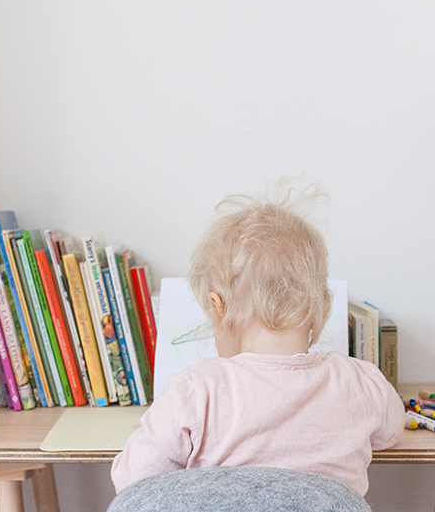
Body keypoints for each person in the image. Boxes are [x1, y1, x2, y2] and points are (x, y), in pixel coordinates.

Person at [110, 187, 405, 497]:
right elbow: (391, 432)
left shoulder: (195, 392)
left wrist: (151, 434)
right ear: (322, 303)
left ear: (217, 306)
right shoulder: (361, 383)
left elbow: (133, 483)